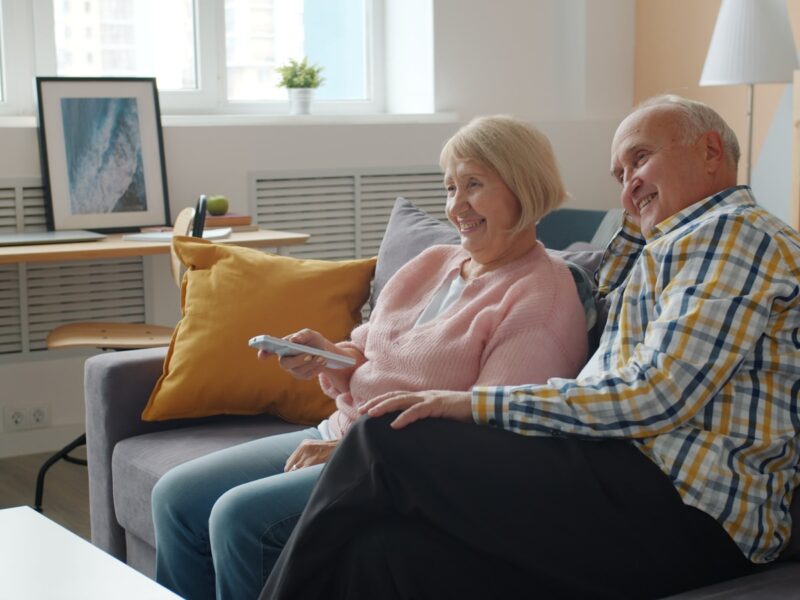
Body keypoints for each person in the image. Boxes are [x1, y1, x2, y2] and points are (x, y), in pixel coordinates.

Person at [260, 95, 800, 600]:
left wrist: (467, 404)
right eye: (619, 176)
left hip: (687, 505)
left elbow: (656, 395)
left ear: (710, 151)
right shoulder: (666, 246)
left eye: (640, 159)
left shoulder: (735, 234)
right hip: (617, 478)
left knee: (383, 438)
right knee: (382, 555)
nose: (628, 187)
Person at [151, 115, 591, 600]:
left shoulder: (541, 299)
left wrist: (353, 454)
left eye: (473, 184)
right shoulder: (436, 261)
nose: (455, 205)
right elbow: (374, 350)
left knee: (238, 518)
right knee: (176, 498)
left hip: (397, 470)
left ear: (524, 186)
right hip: (344, 433)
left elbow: (484, 433)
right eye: (449, 188)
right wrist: (330, 356)